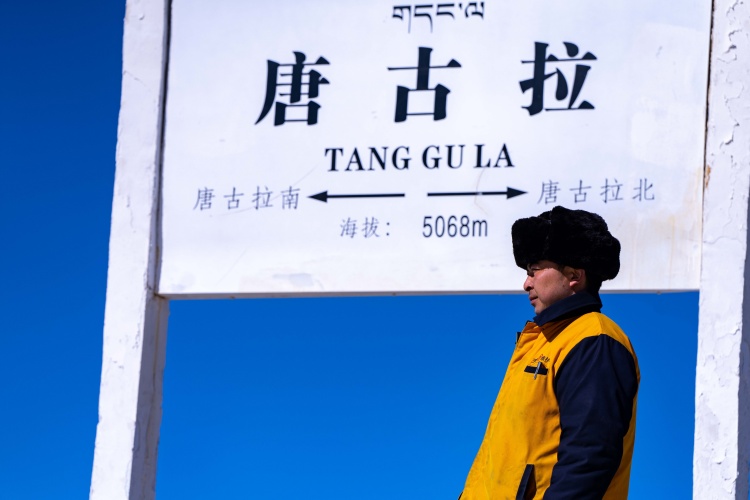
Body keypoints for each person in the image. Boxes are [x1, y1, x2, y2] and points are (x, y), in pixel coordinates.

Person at [459, 206, 640, 499]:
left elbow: (588, 457)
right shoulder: (541, 342)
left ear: (574, 275)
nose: (526, 283)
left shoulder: (594, 340)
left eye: (535, 270)